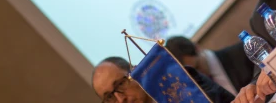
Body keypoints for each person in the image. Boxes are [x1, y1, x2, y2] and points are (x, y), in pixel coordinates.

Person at [91, 56, 233, 103]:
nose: (120, 99)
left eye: (120, 84)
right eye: (110, 97)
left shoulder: (182, 79)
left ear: (135, 71)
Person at [166, 36, 254, 96]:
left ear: (197, 48)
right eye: (191, 74)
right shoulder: (195, 93)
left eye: (196, 68)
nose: (198, 75)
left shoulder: (243, 52)